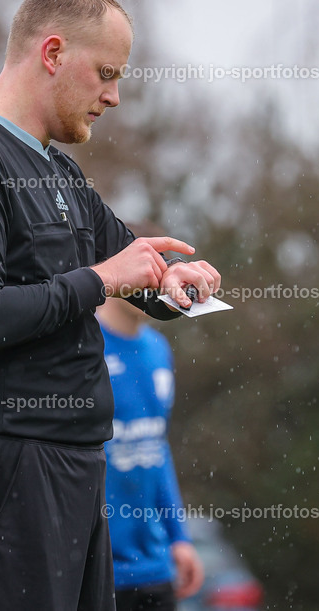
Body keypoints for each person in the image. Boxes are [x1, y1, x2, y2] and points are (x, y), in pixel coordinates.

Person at [0, 0, 221, 611]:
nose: (115, 95)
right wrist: (107, 279)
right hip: (1, 470)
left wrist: (173, 283)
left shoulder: (60, 170)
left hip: (75, 466)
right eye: (105, 71)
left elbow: (131, 263)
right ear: (52, 54)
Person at [96, 224, 205, 610]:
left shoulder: (158, 350)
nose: (157, 280)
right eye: (149, 269)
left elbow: (156, 448)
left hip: (154, 568)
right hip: (92, 567)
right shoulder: (81, 349)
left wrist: (179, 537)